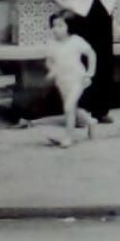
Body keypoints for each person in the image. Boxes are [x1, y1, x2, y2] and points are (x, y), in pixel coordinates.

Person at [47, 0, 117, 124]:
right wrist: (64, 5)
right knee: (81, 64)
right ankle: (80, 111)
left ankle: (101, 109)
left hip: (102, 18)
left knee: (103, 61)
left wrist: (112, 9)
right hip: (81, 19)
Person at [44, 11, 97, 147]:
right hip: (62, 81)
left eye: (60, 25)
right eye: (54, 26)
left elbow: (91, 54)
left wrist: (90, 73)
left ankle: (68, 138)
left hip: (77, 79)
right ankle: (91, 121)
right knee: (72, 107)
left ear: (69, 26)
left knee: (68, 107)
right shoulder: (51, 44)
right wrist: (52, 70)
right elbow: (50, 61)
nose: (56, 29)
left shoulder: (76, 41)